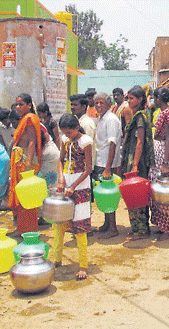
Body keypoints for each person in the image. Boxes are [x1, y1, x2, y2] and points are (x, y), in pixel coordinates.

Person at [55, 113, 93, 280]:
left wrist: (73, 186)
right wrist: (61, 178)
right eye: (65, 133)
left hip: (81, 185)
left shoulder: (86, 142)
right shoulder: (64, 140)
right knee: (59, 223)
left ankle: (83, 265)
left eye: (69, 133)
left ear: (77, 128)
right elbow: (60, 160)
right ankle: (56, 259)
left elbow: (88, 169)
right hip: (66, 183)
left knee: (80, 225)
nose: (67, 136)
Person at [121, 85, 155, 241]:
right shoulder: (135, 115)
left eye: (131, 98)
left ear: (140, 99)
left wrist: (134, 164)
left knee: (137, 194)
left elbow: (140, 141)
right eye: (128, 98)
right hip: (131, 158)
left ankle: (141, 230)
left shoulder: (140, 116)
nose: (128, 101)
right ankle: (136, 228)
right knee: (131, 194)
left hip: (137, 161)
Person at [8, 93, 43, 231]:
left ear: (29, 105)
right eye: (16, 104)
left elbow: (32, 141)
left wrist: (28, 163)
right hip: (19, 159)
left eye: (21, 104)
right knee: (21, 195)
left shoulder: (30, 118)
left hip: (25, 160)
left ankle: (28, 229)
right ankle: (22, 228)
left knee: (26, 196)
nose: (17, 106)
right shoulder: (24, 118)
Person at [149, 87, 169, 241]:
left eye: (154, 97)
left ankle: (168, 228)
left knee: (164, 192)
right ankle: (162, 225)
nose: (153, 100)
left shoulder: (167, 113)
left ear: (159, 97)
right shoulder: (164, 112)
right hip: (159, 156)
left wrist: (166, 163)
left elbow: (168, 139)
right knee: (158, 191)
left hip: (163, 158)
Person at [92, 92, 122, 239]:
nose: (98, 105)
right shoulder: (102, 119)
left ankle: (113, 227)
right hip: (100, 161)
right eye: (96, 103)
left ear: (109, 104)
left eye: (101, 103)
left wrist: (108, 167)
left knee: (109, 196)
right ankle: (106, 224)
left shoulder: (111, 119)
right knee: (103, 195)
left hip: (106, 163)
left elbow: (112, 143)